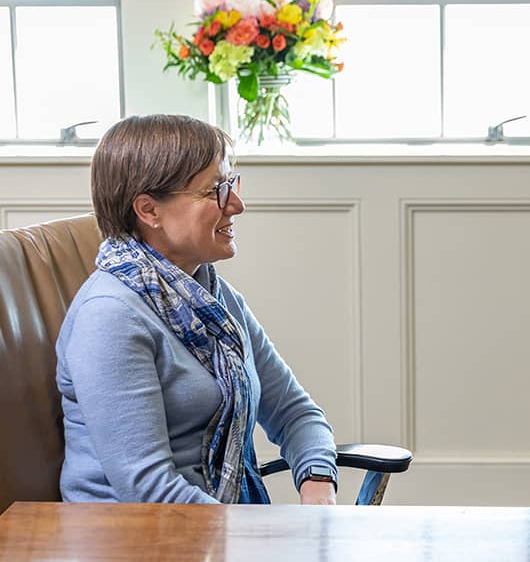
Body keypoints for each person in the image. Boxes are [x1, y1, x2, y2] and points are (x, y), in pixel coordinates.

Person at [57, 114, 338, 505]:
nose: (237, 204)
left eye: (231, 185)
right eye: (215, 192)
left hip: (213, 533)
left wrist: (318, 482)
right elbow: (148, 489)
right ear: (149, 210)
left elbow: (294, 412)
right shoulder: (109, 318)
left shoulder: (213, 299)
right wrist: (259, 536)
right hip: (135, 546)